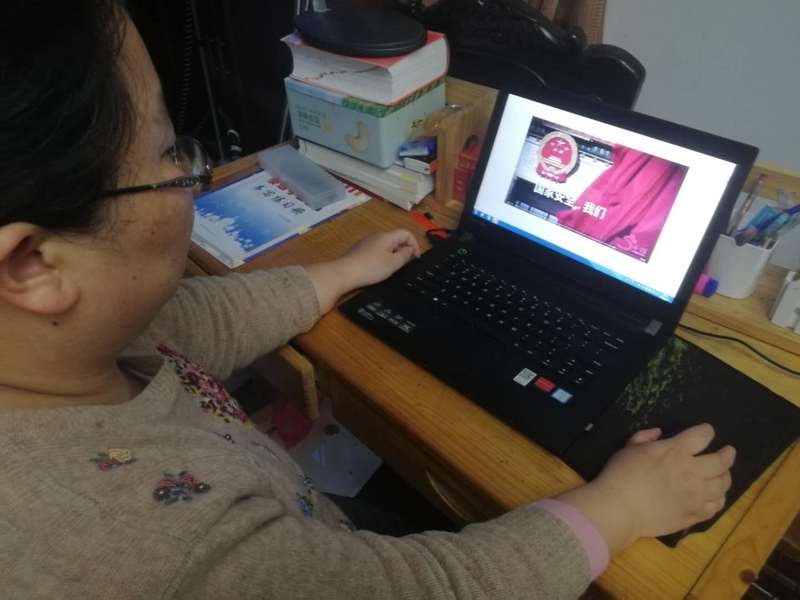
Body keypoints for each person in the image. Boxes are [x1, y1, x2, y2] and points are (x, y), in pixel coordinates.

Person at [0, 2, 735, 598]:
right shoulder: (150, 551)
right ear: (31, 264)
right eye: (171, 154)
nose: (192, 176)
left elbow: (189, 323)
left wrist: (340, 273)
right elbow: (439, 587)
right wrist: (623, 506)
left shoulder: (61, 349)